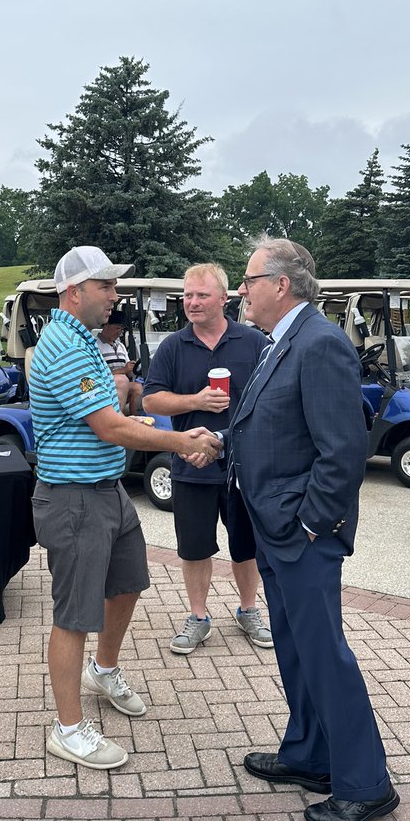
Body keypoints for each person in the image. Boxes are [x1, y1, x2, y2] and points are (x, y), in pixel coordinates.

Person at [225, 236, 398, 821]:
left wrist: (308, 522)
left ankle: (365, 783)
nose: (239, 292)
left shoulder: (319, 343)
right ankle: (310, 754)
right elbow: (274, 428)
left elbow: (343, 449)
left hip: (301, 532)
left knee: (324, 654)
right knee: (295, 648)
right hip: (273, 527)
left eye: (247, 281)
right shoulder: (282, 341)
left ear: (281, 285)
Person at [28, 245, 222, 771]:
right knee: (73, 616)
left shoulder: (84, 341)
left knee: (129, 583)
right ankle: (67, 729)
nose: (115, 296)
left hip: (106, 490)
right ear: (75, 292)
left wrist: (159, 414)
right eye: (106, 287)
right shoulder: (64, 346)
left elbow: (117, 410)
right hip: (73, 498)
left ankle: (104, 669)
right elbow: (108, 426)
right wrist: (182, 442)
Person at [141, 262, 272, 654]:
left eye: (201, 295)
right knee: (194, 548)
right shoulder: (173, 346)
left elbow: (270, 399)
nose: (192, 303)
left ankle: (249, 610)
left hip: (243, 466)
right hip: (191, 464)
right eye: (188, 296)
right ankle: (198, 617)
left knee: (245, 545)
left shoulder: (253, 343)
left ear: (224, 298)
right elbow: (151, 398)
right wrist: (195, 401)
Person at [96, 310, 141, 415]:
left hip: (123, 385)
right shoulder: (95, 345)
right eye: (117, 328)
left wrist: (131, 369)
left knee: (138, 386)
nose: (119, 333)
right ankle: (117, 417)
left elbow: (128, 371)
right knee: (123, 380)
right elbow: (97, 372)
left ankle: (136, 418)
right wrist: (122, 370)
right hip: (104, 385)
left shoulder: (120, 346)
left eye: (121, 329)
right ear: (106, 325)